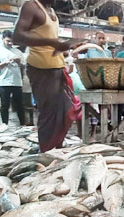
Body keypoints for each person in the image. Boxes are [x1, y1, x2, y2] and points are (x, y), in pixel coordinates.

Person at [13, 0, 80, 152]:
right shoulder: (31, 5)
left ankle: (57, 146)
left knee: (66, 110)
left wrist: (59, 45)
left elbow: (48, 37)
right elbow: (17, 36)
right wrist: (52, 42)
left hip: (57, 67)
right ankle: (46, 151)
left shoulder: (51, 10)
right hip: (41, 68)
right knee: (48, 113)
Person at [0, 30, 25, 126]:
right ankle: (4, 125)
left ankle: (23, 124)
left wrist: (19, 62)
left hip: (17, 82)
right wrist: (5, 62)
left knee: (20, 105)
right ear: (2, 39)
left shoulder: (18, 51)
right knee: (5, 105)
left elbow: (24, 66)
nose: (10, 43)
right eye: (8, 41)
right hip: (4, 82)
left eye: (12, 41)